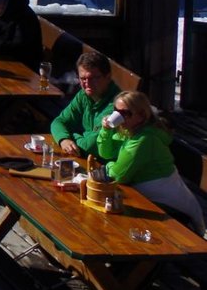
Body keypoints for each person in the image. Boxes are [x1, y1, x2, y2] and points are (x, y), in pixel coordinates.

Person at [95, 91, 205, 233]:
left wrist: (108, 167)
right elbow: (106, 153)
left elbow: (118, 176)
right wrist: (106, 130)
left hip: (172, 211)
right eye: (116, 111)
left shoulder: (144, 140)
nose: (119, 117)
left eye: (125, 113)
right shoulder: (131, 131)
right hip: (153, 200)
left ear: (141, 115)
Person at [51, 49, 120, 156]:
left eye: (93, 78)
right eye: (83, 78)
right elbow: (59, 121)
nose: (87, 84)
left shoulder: (118, 105)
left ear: (108, 77)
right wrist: (64, 139)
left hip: (106, 166)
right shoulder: (84, 95)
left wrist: (71, 135)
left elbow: (90, 146)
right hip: (84, 158)